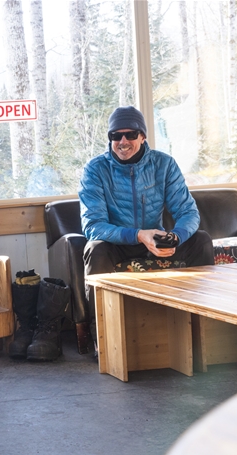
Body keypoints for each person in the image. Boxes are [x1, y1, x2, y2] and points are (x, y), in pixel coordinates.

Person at [78, 106, 214, 353]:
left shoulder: (164, 164)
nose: (122, 141)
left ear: (143, 136)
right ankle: (102, 338)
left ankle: (200, 331)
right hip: (117, 244)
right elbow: (92, 225)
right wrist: (138, 235)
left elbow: (188, 213)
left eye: (130, 134)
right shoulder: (95, 169)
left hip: (155, 242)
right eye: (115, 136)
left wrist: (175, 237)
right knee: (95, 249)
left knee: (201, 240)